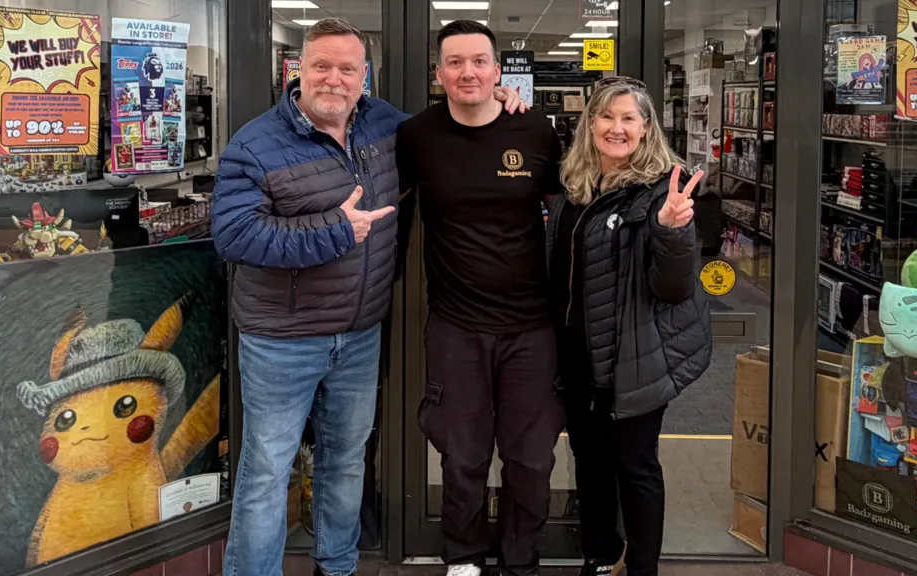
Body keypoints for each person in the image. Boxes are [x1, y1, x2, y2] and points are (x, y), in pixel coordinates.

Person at [211, 17, 524, 576]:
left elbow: (453, 127)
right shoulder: (255, 144)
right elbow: (233, 235)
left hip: (358, 334)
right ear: (298, 71)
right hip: (281, 340)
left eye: (347, 69)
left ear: (364, 76)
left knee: (345, 462)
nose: (334, 79)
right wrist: (336, 229)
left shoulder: (385, 125)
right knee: (265, 473)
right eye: (322, 67)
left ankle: (338, 566)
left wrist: (496, 101)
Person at [396, 20, 564, 576]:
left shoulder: (536, 131)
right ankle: (463, 558)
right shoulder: (416, 136)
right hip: (455, 326)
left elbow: (570, 214)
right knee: (462, 456)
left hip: (532, 327)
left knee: (531, 459)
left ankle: (520, 561)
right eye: (455, 62)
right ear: (439, 72)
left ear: (497, 69)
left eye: (479, 61)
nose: (468, 71)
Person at [545, 77, 713, 576]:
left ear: (645, 128)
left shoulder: (663, 189)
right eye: (606, 117)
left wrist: (673, 230)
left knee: (636, 467)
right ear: (589, 123)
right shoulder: (575, 183)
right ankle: (601, 555)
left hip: (633, 355)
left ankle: (642, 568)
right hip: (576, 352)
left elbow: (674, 286)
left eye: (628, 119)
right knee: (590, 461)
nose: (616, 128)